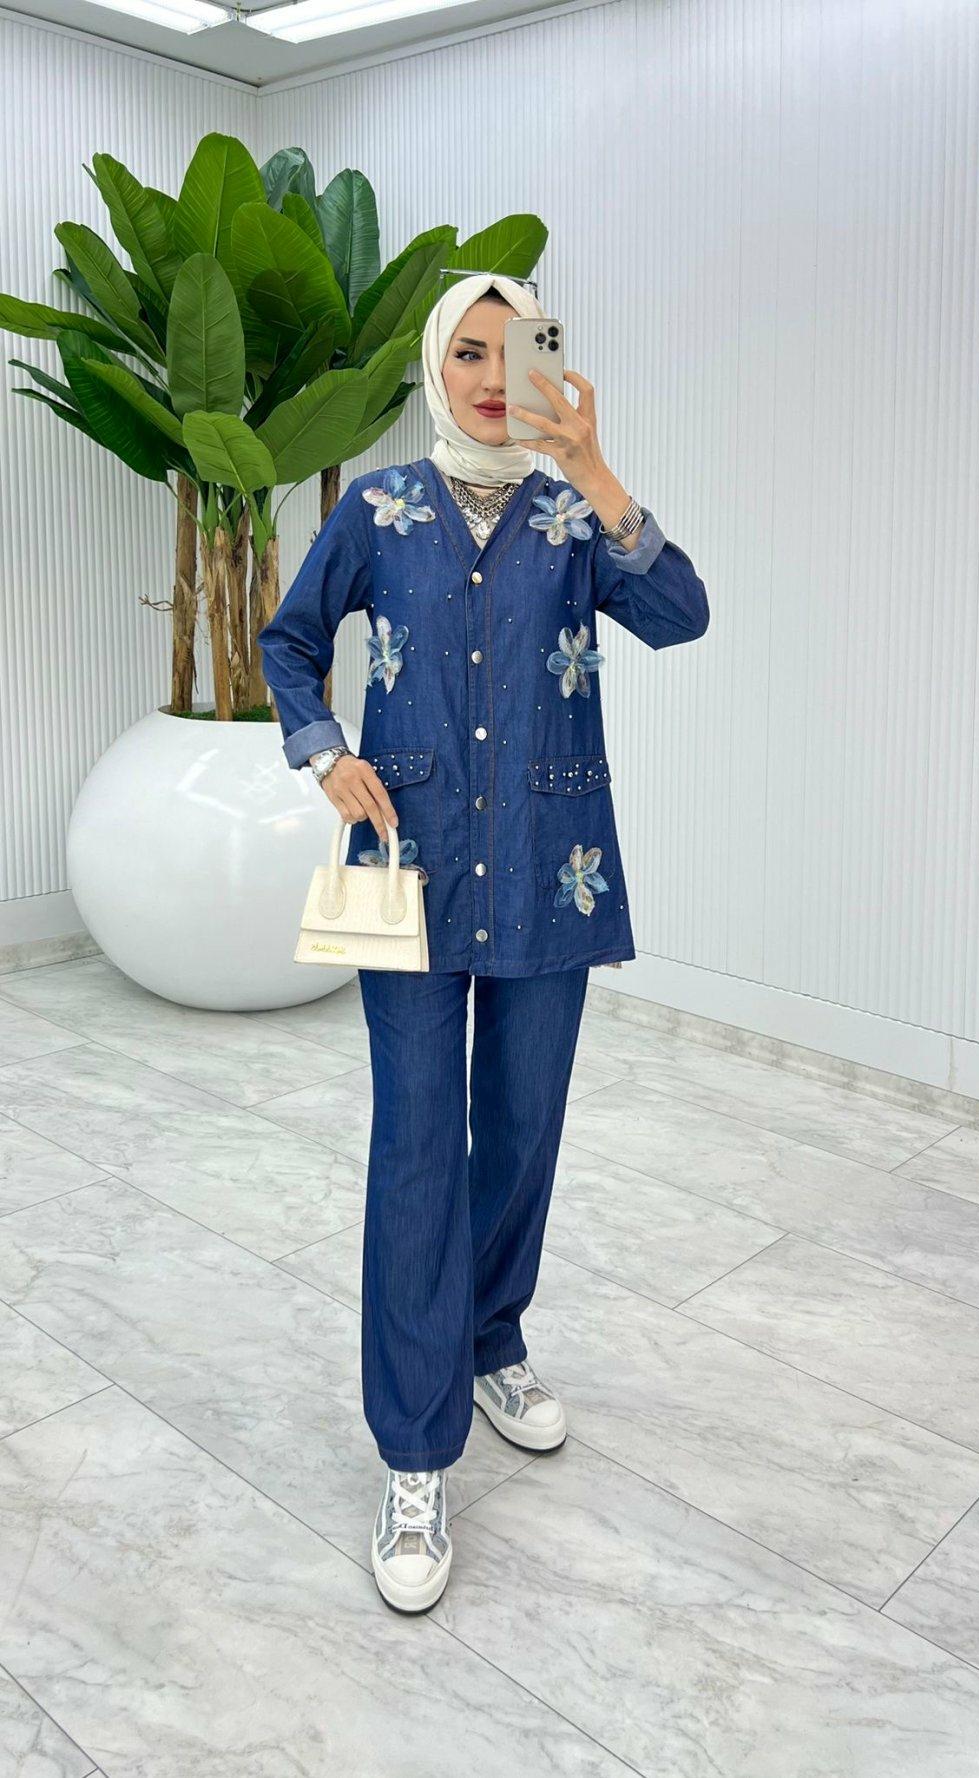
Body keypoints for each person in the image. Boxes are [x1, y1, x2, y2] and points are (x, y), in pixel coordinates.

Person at [257, 271, 709, 1615]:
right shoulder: (378, 508)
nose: (493, 376)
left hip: (551, 868)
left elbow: (682, 613)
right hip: (408, 863)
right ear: (434, 366)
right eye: (469, 352)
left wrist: (597, 466)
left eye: (514, 351)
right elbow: (290, 642)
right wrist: (324, 752)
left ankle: (491, 1337)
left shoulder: (573, 515)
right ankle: (414, 1452)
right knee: (417, 1145)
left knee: (520, 1127)